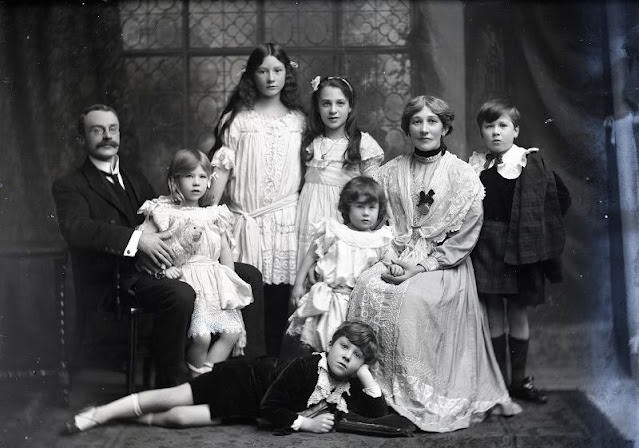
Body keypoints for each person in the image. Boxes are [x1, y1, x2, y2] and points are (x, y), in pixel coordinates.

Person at [347, 95, 521, 432]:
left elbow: (465, 237)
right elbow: (381, 223)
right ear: (407, 128)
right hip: (395, 255)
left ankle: (415, 393)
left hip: (444, 266)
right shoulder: (390, 172)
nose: (424, 129)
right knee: (367, 285)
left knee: (413, 298)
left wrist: (423, 265)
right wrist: (393, 258)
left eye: (432, 122)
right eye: (417, 122)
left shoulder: (463, 175)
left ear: (445, 127)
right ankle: (372, 391)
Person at [52, 104, 196, 388]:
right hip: (114, 281)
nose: (107, 136)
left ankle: (235, 376)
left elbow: (158, 216)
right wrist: (136, 241)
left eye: (112, 129)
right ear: (82, 138)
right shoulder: (70, 185)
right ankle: (171, 387)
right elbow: (77, 228)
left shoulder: (135, 178)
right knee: (180, 294)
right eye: (97, 130)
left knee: (241, 275)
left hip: (150, 272)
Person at [63, 321, 387, 434]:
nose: (347, 356)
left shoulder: (343, 388)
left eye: (357, 356)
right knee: (172, 397)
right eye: (344, 347)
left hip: (242, 408)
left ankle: (126, 420)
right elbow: (271, 407)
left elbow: (375, 413)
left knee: (179, 419)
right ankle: (99, 414)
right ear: (331, 344)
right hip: (237, 381)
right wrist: (307, 425)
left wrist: (365, 376)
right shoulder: (306, 367)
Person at [468, 99, 571, 404]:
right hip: (487, 248)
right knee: (494, 316)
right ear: (482, 132)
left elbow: (558, 200)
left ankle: (518, 381)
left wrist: (533, 228)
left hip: (520, 248)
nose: (496, 133)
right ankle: (499, 383)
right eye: (489, 126)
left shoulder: (529, 163)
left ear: (516, 130)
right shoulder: (476, 166)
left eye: (503, 126)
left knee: (518, 312)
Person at [208, 43, 306, 356]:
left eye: (277, 70)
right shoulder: (237, 121)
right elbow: (218, 182)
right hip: (245, 222)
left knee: (281, 301)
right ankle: (248, 373)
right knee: (247, 299)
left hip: (285, 223)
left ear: (287, 74)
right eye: (262, 70)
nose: (270, 77)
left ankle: (274, 374)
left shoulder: (299, 122)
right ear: (252, 75)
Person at [137, 149, 254, 377]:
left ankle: (203, 379)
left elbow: (225, 254)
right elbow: (144, 245)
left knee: (231, 332)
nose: (196, 183)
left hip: (214, 282)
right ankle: (194, 382)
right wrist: (164, 268)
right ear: (174, 181)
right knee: (202, 336)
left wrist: (231, 286)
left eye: (202, 177)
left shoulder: (214, 215)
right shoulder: (162, 211)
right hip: (187, 281)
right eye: (189, 176)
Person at [287, 177, 392, 351]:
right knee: (315, 343)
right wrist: (298, 284)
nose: (366, 213)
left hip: (356, 304)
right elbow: (310, 256)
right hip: (327, 299)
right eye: (360, 206)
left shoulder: (380, 239)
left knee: (345, 346)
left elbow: (388, 264)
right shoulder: (334, 231)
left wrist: (394, 268)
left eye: (371, 208)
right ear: (347, 207)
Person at [295, 76, 384, 266]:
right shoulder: (310, 142)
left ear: (350, 106)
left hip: (342, 219)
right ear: (318, 107)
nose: (333, 110)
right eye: (326, 104)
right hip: (309, 216)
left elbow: (373, 194)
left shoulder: (362, 144)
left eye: (340, 103)